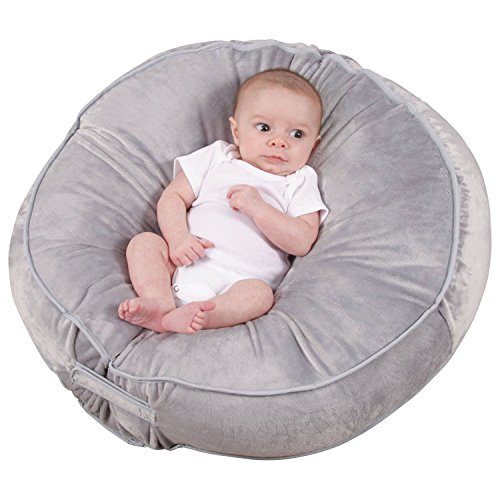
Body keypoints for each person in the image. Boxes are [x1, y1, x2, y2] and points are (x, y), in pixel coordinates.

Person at [118, 68, 329, 334]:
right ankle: (158, 303)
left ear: (314, 145)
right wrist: (178, 238)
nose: (279, 142)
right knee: (144, 243)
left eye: (297, 134)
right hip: (183, 262)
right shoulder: (219, 157)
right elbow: (173, 197)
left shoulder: (299, 180)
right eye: (264, 128)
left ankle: (203, 316)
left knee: (260, 295)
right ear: (237, 132)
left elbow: (302, 241)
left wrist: (260, 209)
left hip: (240, 281)